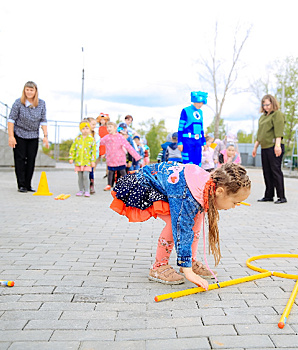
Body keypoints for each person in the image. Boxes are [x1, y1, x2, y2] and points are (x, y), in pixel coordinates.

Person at [109, 162, 251, 290]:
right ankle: (159, 266)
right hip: (145, 184)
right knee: (174, 223)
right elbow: (181, 228)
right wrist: (188, 271)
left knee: (196, 218)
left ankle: (191, 260)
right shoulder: (188, 195)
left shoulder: (210, 185)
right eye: (235, 202)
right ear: (219, 191)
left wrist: (188, 263)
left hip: (173, 188)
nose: (235, 206)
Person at [7, 81, 49, 193]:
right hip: (19, 134)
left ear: (35, 91)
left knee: (31, 160)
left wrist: (45, 136)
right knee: (20, 159)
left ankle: (28, 184)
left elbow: (43, 120)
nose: (29, 92)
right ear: (24, 91)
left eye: (31, 90)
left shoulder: (41, 103)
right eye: (27, 90)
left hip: (33, 135)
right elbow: (11, 120)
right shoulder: (18, 103)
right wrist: (11, 136)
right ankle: (21, 185)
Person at [252, 94, 287, 204]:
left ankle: (281, 196)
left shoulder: (277, 115)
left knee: (275, 171)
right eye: (264, 105)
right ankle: (269, 195)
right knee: (266, 172)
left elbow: (278, 131)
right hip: (264, 147)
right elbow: (260, 134)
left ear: (273, 103)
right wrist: (255, 147)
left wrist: (277, 146)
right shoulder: (263, 117)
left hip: (274, 147)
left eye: (268, 104)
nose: (266, 107)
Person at [100, 121, 141, 191]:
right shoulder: (106, 138)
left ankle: (126, 184)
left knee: (122, 172)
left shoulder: (120, 137)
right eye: (107, 127)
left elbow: (128, 147)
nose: (108, 128)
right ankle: (109, 184)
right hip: (111, 159)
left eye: (110, 127)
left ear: (115, 128)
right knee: (110, 172)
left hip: (120, 159)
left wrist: (136, 156)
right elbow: (99, 142)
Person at [178, 91, 207, 166]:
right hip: (188, 141)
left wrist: (204, 142)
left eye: (202, 103)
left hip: (198, 141)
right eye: (199, 102)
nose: (200, 105)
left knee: (198, 162)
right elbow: (180, 128)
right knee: (188, 162)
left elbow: (201, 128)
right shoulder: (186, 110)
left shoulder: (200, 112)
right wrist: (180, 142)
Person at [69, 121, 96, 197]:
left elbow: (93, 151)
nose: (85, 130)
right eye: (83, 128)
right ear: (80, 130)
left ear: (89, 129)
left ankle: (87, 190)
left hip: (87, 162)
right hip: (78, 161)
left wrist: (93, 161)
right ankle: (81, 190)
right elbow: (73, 149)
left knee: (86, 176)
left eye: (87, 128)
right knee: (80, 176)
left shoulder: (91, 140)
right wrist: (71, 157)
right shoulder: (77, 139)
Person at [86, 117, 99, 194]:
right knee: (84, 172)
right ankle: (84, 186)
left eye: (95, 124)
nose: (94, 126)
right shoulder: (82, 134)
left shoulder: (96, 136)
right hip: (84, 157)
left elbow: (97, 147)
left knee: (91, 171)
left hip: (92, 157)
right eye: (93, 124)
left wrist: (94, 157)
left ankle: (91, 185)